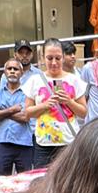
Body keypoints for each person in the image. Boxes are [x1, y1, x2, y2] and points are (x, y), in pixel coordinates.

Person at [22, 36, 87, 168]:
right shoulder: (35, 80)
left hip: (68, 142)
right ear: (42, 57)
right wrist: (45, 105)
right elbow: (27, 113)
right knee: (42, 181)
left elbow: (83, 112)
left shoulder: (74, 80)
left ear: (63, 57)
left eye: (58, 58)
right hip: (43, 143)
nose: (54, 62)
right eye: (49, 58)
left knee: (68, 182)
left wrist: (68, 101)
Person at [0, 56, 35, 175]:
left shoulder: (28, 93)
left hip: (24, 144)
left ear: (22, 73)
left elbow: (25, 117)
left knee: (25, 183)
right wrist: (12, 110)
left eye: (16, 69)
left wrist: (2, 112)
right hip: (3, 144)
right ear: (5, 72)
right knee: (0, 182)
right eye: (9, 69)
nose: (12, 71)